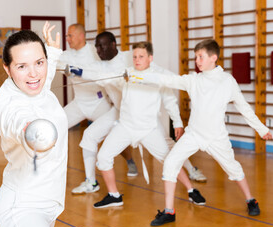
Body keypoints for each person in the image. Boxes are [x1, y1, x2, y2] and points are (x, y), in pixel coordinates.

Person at [134, 39, 273, 226]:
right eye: (196, 57)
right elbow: (167, 79)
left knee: (233, 169)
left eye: (201, 56)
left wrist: (261, 129)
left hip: (216, 137)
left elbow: (244, 108)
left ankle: (250, 200)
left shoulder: (227, 81)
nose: (197, 60)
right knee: (170, 163)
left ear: (213, 58)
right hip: (193, 135)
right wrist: (136, 76)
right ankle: (169, 211)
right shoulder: (193, 80)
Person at [69, 31, 207, 186]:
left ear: (113, 45)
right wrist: (76, 70)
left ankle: (190, 169)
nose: (98, 50)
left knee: (166, 143)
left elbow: (157, 73)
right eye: (96, 47)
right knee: (90, 135)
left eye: (102, 46)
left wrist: (181, 84)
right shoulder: (99, 65)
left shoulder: (130, 57)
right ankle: (91, 182)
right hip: (120, 112)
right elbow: (93, 73)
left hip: (145, 114)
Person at [90, 41, 206, 209]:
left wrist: (178, 123)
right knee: (103, 157)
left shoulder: (159, 77)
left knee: (169, 160)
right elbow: (103, 77)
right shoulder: (126, 74)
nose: (137, 60)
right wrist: (77, 71)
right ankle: (114, 195)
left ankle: (191, 189)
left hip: (148, 130)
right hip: (125, 127)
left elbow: (170, 101)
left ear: (150, 58)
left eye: (141, 57)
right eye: (135, 57)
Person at [0, 22, 67, 227]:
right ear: (7, 68)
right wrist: (28, 129)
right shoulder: (9, 103)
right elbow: (14, 120)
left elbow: (43, 75)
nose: (33, 73)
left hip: (50, 203)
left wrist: (53, 51)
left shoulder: (35, 83)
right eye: (21, 66)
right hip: (22, 208)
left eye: (39, 62)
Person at [58, 24, 138, 194]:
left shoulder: (96, 53)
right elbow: (57, 63)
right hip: (79, 103)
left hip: (99, 102)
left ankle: (130, 159)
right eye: (67, 36)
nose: (67, 39)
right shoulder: (66, 54)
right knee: (57, 125)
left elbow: (107, 69)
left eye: (70, 35)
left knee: (115, 133)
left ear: (81, 36)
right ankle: (89, 181)